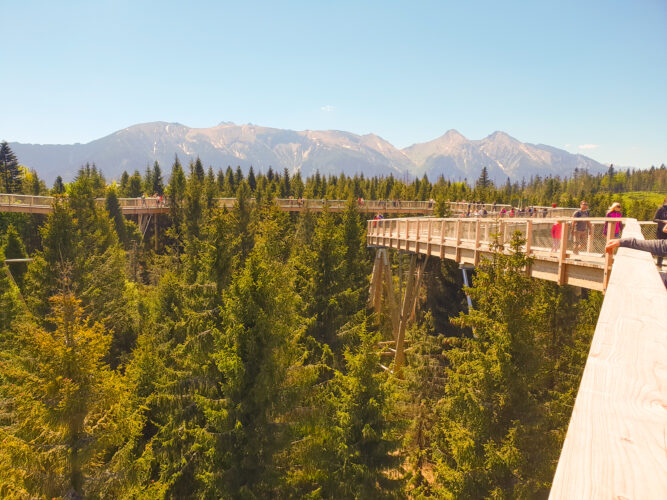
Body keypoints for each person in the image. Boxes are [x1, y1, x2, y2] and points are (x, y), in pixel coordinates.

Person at [653, 196, 667, 267]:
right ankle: (659, 265)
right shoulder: (660, 209)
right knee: (660, 248)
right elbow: (654, 219)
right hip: (661, 232)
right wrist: (663, 221)